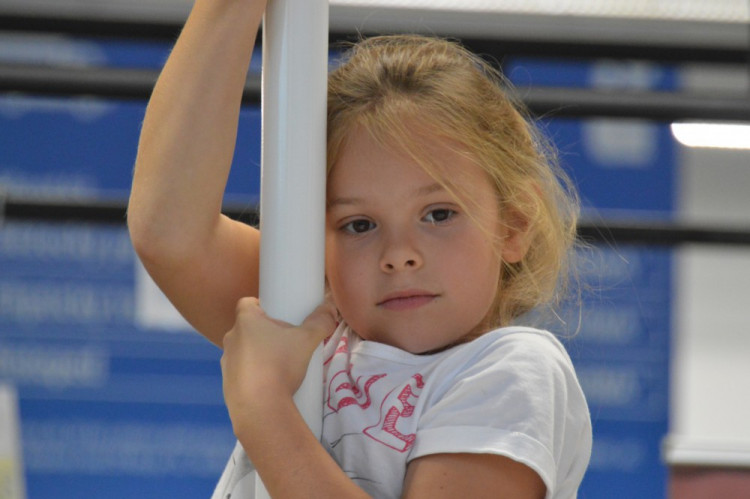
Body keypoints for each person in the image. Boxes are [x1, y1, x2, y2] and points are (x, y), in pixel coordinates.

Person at [127, 0, 592, 497]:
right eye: (359, 224)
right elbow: (169, 234)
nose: (399, 254)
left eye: (438, 214)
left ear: (514, 225)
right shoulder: (314, 321)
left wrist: (264, 408)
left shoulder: (513, 371)